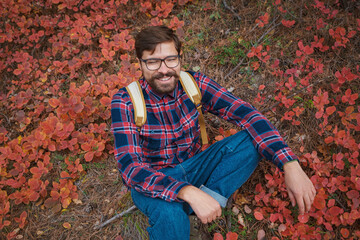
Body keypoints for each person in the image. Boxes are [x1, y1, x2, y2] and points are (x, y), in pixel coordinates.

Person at [111, 25, 316, 240]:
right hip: (155, 178)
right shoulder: (125, 101)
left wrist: (289, 163)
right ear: (140, 64)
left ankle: (204, 206)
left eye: (170, 59)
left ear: (180, 58)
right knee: (170, 215)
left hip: (197, 165)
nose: (164, 69)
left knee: (250, 140)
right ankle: (184, 211)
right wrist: (187, 191)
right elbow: (131, 168)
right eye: (153, 61)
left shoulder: (194, 83)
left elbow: (248, 115)